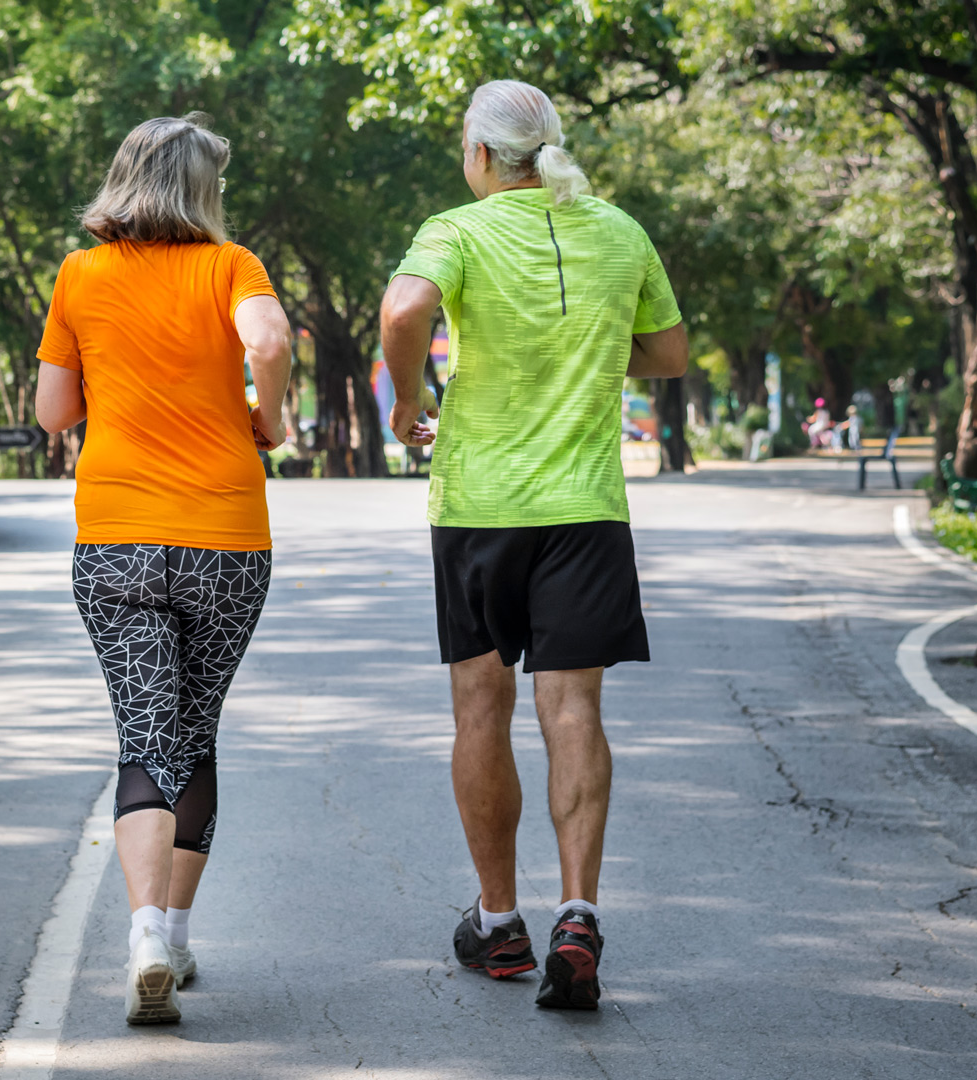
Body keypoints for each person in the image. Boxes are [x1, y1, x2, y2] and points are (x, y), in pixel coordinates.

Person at [377, 80, 686, 1011]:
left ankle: (501, 923)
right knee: (574, 711)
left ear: (479, 155)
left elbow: (401, 314)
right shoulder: (619, 230)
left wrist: (407, 401)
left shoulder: (457, 231)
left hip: (478, 508)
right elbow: (666, 355)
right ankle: (579, 910)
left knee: (481, 709)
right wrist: (587, 349)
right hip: (585, 511)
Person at [35, 113, 292, 1026]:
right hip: (226, 538)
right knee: (196, 729)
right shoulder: (234, 267)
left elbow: (55, 412)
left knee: (147, 734)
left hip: (116, 541)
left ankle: (144, 932)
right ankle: (177, 935)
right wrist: (271, 416)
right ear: (201, 190)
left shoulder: (80, 273)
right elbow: (266, 342)